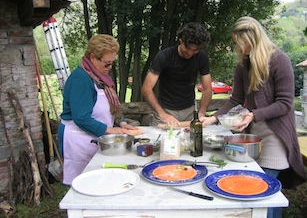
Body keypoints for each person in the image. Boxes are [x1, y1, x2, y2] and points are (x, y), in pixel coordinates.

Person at [200, 16, 306, 218]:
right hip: (253, 138)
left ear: (252, 38)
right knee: (260, 189)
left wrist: (253, 115)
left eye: (238, 43)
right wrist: (212, 119)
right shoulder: (243, 65)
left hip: (276, 136)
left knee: (265, 189)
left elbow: (285, 103)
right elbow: (235, 99)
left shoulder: (279, 61)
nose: (237, 48)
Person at [57, 34, 139, 185]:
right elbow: (81, 117)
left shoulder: (98, 77)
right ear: (93, 57)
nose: (110, 68)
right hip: (78, 139)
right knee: (84, 185)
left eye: (112, 63)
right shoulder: (80, 79)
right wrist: (109, 130)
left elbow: (109, 107)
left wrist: (121, 122)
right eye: (107, 63)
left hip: (94, 137)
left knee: (100, 183)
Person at [141, 22, 212, 127]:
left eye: (195, 50)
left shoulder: (202, 58)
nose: (190, 53)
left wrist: (201, 112)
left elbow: (207, 88)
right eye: (188, 49)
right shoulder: (164, 56)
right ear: (181, 41)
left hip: (190, 111)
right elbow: (146, 88)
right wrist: (163, 115)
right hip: (166, 110)